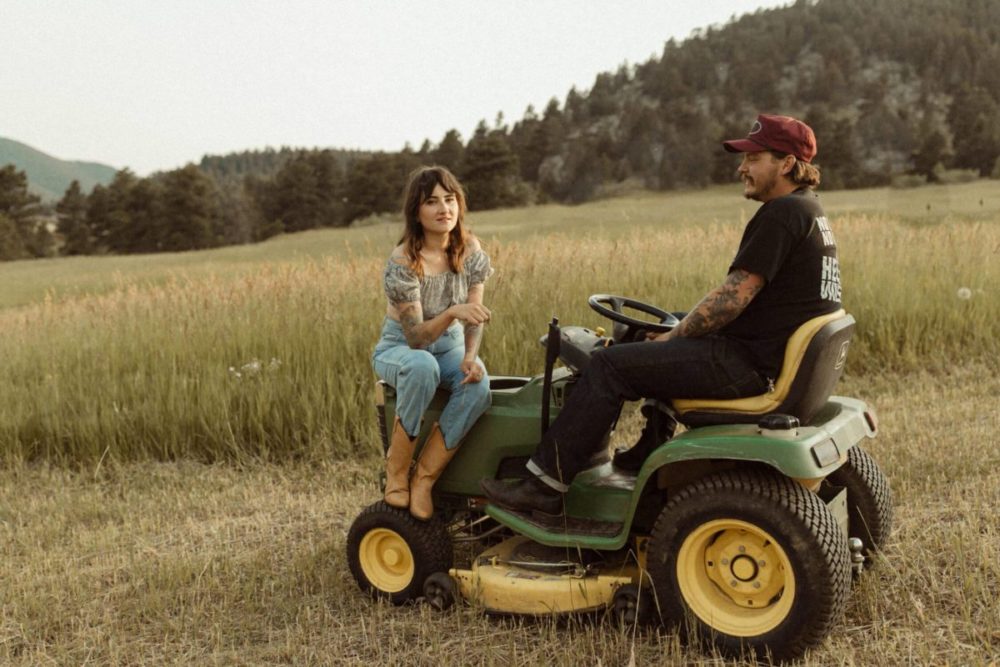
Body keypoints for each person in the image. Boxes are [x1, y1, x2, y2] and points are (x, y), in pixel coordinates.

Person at [481, 113, 842, 516]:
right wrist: (678, 327)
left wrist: (676, 337)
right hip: (764, 355)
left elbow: (732, 298)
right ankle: (650, 444)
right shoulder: (809, 210)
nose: (742, 168)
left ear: (787, 164)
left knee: (607, 366)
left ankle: (544, 484)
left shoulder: (781, 213)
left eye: (754, 158)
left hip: (747, 365)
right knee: (666, 324)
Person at [374, 166, 493, 520]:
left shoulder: (470, 248)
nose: (444, 209)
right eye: (432, 202)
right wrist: (453, 311)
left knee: (478, 384)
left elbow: (475, 314)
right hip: (401, 348)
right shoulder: (403, 261)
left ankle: (424, 479)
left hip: (452, 346)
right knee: (423, 366)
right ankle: (397, 474)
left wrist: (470, 356)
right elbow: (416, 337)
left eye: (450, 199)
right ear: (416, 212)